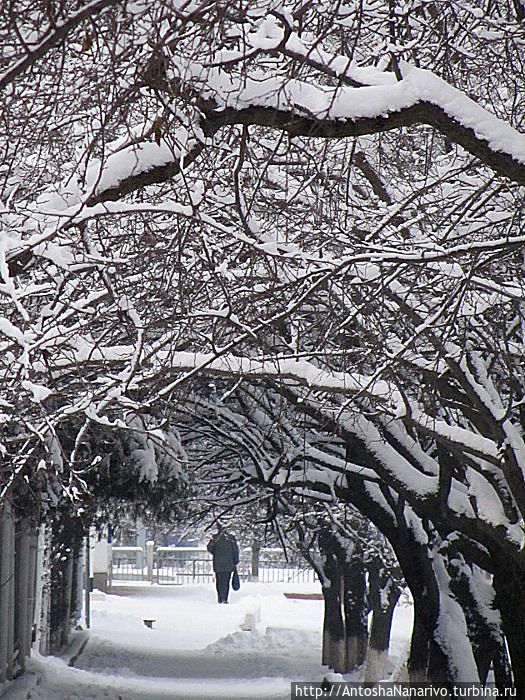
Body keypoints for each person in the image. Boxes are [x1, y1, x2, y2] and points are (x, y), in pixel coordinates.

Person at [207, 524, 239, 604]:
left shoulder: (215, 538)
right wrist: (235, 562)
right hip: (228, 564)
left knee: (219, 582)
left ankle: (220, 597)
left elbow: (210, 548)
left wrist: (216, 553)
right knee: (226, 582)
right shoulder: (231, 538)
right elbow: (235, 551)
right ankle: (225, 598)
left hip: (218, 564)